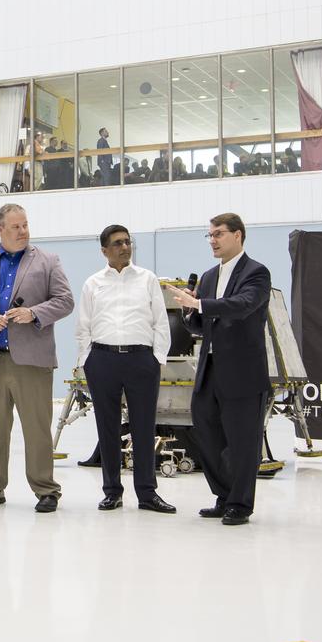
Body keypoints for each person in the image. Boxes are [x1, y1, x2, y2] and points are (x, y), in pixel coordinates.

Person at [0, 203, 73, 512]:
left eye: (26, 225)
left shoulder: (48, 261)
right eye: (16, 227)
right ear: (0, 230)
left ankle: (46, 489)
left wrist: (33, 313)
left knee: (37, 429)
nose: (23, 232)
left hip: (32, 362)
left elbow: (65, 301)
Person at [165, 213, 271, 526]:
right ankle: (223, 495)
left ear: (238, 235)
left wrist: (200, 305)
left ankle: (240, 503)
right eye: (209, 235)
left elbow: (241, 306)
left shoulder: (257, 273)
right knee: (204, 430)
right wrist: (189, 313)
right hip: (210, 369)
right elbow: (202, 325)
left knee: (242, 441)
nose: (212, 240)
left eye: (219, 234)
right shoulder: (210, 277)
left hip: (243, 371)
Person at [74, 225, 174, 513]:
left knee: (144, 427)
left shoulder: (147, 279)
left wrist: (158, 359)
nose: (125, 247)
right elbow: (83, 325)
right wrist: (86, 360)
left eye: (128, 242)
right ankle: (112, 491)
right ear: (104, 250)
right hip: (102, 360)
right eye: (118, 243)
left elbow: (160, 322)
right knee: (107, 428)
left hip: (141, 360)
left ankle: (147, 493)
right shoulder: (93, 283)